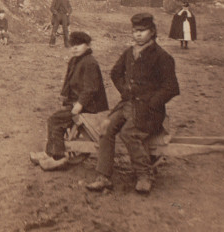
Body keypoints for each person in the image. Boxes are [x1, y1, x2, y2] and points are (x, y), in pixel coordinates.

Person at [86, 13, 180, 194]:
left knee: (128, 133)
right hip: (127, 105)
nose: (137, 35)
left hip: (150, 111)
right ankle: (103, 177)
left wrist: (152, 102)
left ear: (152, 32)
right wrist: (125, 91)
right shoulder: (129, 53)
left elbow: (171, 88)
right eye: (135, 31)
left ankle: (145, 175)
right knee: (105, 128)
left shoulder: (162, 57)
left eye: (142, 31)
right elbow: (115, 73)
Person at [32, 31, 109, 170]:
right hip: (75, 101)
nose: (75, 48)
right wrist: (64, 96)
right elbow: (68, 81)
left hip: (88, 104)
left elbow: (91, 88)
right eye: (72, 45)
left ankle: (58, 157)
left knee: (55, 120)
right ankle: (49, 152)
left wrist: (79, 105)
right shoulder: (75, 60)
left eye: (79, 45)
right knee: (56, 118)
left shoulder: (90, 62)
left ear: (87, 45)